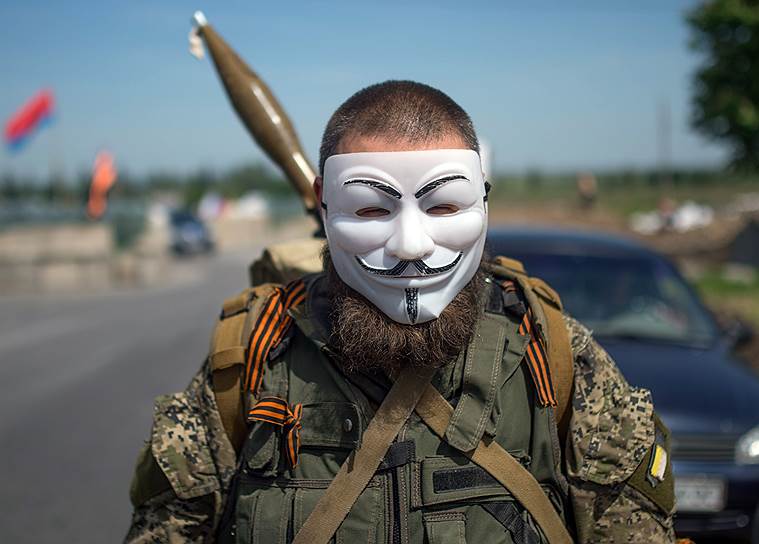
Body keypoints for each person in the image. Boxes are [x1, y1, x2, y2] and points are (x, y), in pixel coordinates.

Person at [125, 81, 676, 543]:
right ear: (322, 200)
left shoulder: (553, 355)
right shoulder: (251, 358)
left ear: (483, 199)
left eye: (444, 206)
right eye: (369, 207)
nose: (411, 244)